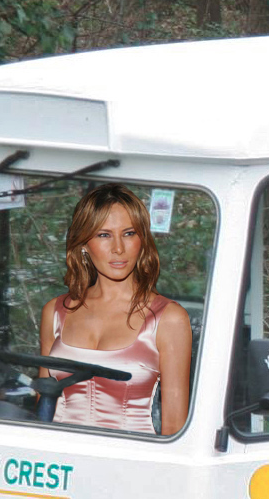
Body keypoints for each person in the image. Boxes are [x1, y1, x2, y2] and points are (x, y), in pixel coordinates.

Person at [39, 183, 191, 435]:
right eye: (104, 235)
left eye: (129, 233)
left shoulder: (169, 319)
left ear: (142, 240)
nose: (118, 248)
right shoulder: (54, 312)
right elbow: (41, 411)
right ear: (84, 244)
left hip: (131, 458)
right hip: (58, 456)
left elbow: (174, 428)